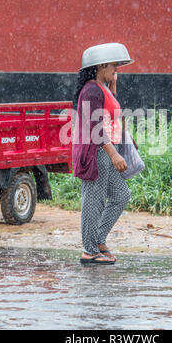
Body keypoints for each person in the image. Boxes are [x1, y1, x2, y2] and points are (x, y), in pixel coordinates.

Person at [73, 43, 134, 264]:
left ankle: (98, 239)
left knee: (121, 195)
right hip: (97, 153)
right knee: (93, 201)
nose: (117, 69)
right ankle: (89, 250)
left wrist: (113, 85)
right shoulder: (90, 90)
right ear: (101, 65)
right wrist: (114, 155)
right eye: (114, 66)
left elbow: (113, 112)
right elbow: (94, 126)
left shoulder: (103, 88)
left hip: (107, 151)